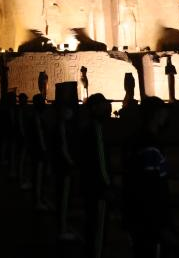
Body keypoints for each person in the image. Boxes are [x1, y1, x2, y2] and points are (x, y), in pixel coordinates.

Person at [122, 96, 173, 257]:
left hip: (136, 214)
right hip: (150, 219)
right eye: (163, 112)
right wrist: (161, 223)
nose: (166, 116)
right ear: (155, 114)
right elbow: (152, 187)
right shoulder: (150, 144)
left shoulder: (135, 140)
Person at [79, 93, 113, 258]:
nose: (107, 108)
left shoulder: (86, 127)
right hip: (98, 187)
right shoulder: (96, 128)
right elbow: (101, 160)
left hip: (88, 183)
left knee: (91, 224)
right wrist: (107, 184)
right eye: (103, 104)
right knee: (98, 227)